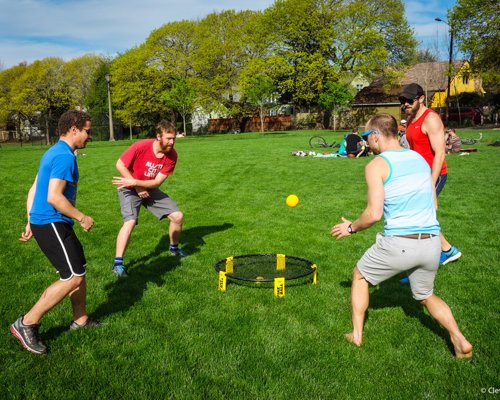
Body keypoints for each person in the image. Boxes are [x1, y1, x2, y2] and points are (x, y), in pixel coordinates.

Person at [330, 113, 473, 358]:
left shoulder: (376, 165)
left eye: (366, 136)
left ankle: (356, 335)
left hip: (399, 244)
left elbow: (373, 214)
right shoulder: (418, 158)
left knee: (360, 276)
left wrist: (351, 227)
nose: (366, 142)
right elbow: (430, 195)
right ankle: (459, 339)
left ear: (375, 136)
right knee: (426, 296)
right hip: (431, 244)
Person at [11, 110, 98, 355]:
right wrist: (82, 217)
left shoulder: (55, 151)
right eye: (87, 131)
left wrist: (29, 220)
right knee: (72, 276)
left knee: (79, 269)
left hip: (45, 222)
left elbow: (34, 187)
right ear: (73, 129)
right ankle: (27, 323)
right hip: (51, 222)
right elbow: (53, 196)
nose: (89, 136)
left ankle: (80, 320)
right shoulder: (64, 157)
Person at [111, 120, 187, 277]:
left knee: (178, 216)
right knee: (130, 221)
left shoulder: (172, 156)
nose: (172, 142)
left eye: (173, 138)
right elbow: (120, 164)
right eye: (168, 138)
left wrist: (139, 185)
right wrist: (136, 186)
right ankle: (117, 264)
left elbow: (157, 182)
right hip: (128, 188)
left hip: (149, 188)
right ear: (158, 136)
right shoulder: (141, 146)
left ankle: (174, 249)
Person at [400, 83, 461, 266]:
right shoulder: (410, 120)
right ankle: (446, 250)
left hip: (434, 174)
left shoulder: (431, 119)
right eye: (403, 101)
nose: (406, 104)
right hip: (419, 176)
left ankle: (445, 251)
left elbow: (440, 153)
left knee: (418, 215)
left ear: (421, 99)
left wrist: (431, 185)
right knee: (416, 215)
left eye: (410, 100)